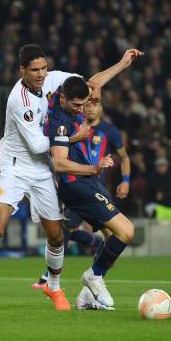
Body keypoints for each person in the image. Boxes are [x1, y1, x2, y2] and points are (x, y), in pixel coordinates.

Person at [0, 44, 142, 311]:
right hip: (15, 166)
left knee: (56, 236)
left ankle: (53, 287)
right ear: (22, 70)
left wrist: (121, 64)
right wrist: (74, 137)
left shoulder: (53, 80)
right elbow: (40, 146)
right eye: (35, 70)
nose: (41, 74)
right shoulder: (19, 100)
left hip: (42, 171)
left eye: (43, 68)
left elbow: (90, 84)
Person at [47, 74, 141, 310]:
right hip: (77, 184)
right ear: (64, 99)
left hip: (90, 182)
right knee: (127, 232)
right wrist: (93, 165)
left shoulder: (67, 95)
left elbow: (96, 80)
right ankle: (93, 277)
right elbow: (58, 163)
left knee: (111, 244)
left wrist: (122, 64)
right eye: (78, 105)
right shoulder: (60, 120)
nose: (83, 109)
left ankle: (86, 297)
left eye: (86, 103)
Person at [31, 95, 131, 300]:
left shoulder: (109, 131)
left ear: (102, 108)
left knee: (112, 239)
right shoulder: (70, 123)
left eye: (96, 104)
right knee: (69, 228)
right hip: (78, 186)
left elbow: (124, 156)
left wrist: (126, 180)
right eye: (88, 104)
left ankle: (88, 290)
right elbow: (54, 151)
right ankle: (60, 276)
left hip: (95, 186)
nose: (91, 109)